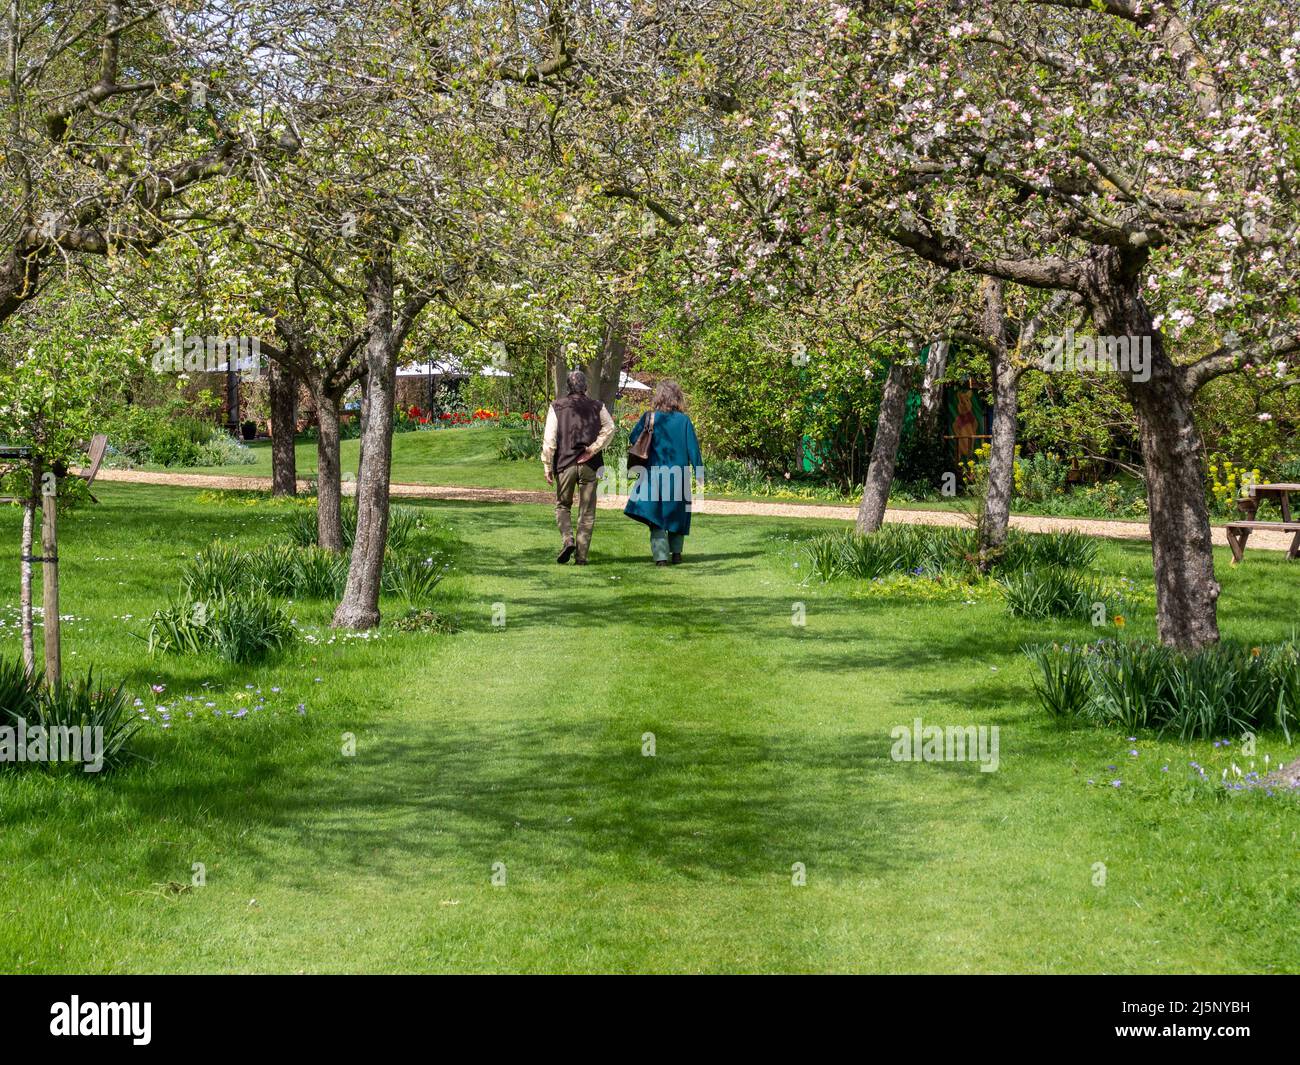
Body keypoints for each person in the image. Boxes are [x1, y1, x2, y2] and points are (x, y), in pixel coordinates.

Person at [624, 380, 704, 566]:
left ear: (658, 396)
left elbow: (634, 438)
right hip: (680, 475)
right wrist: (699, 473)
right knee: (677, 514)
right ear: (677, 397)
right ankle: (676, 553)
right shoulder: (684, 420)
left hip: (654, 474)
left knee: (656, 515)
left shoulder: (649, 417)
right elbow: (694, 449)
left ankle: (661, 557)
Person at [541, 369, 615, 565]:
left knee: (563, 505)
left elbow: (549, 440)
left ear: (568, 387)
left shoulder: (557, 406)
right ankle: (581, 557)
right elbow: (610, 428)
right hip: (589, 464)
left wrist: (547, 465)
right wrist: (592, 449)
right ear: (586, 388)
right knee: (587, 511)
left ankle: (568, 540)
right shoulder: (597, 406)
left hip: (565, 463)